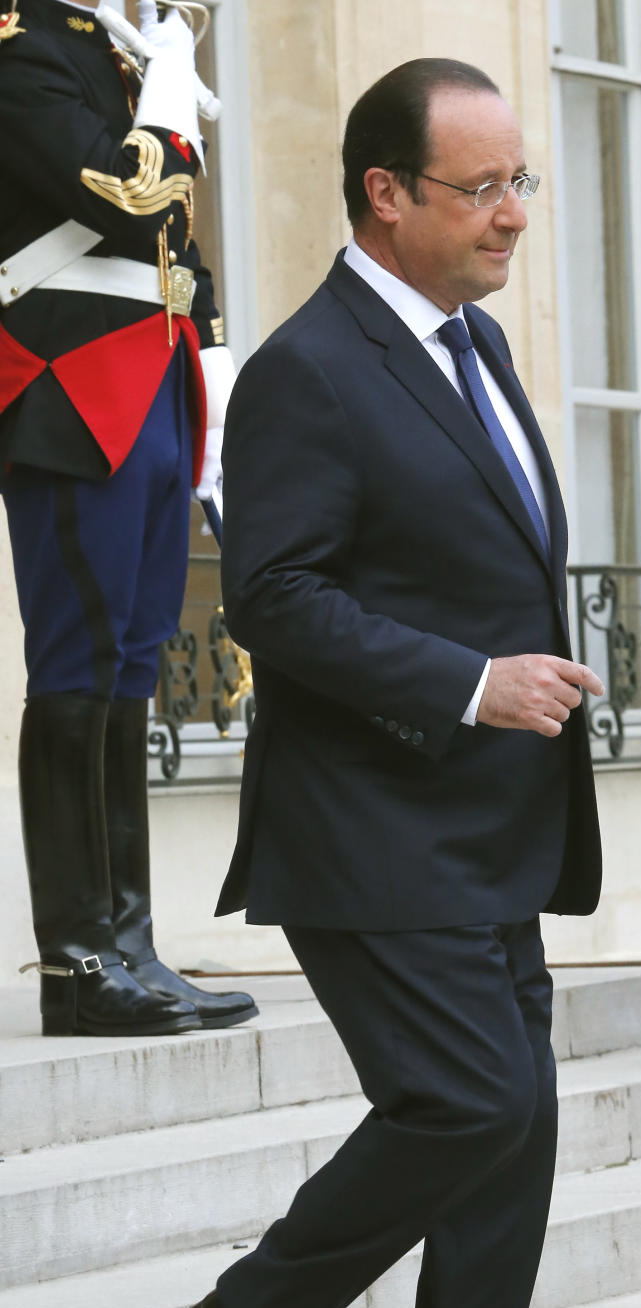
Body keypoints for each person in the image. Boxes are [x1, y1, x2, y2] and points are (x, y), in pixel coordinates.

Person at [182, 57, 641, 1308]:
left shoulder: (478, 348)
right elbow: (275, 596)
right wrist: (470, 682)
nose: (517, 212)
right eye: (486, 185)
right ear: (385, 195)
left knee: (515, 1135)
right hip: (369, 824)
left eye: (524, 181)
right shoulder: (308, 368)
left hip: (489, 826)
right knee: (471, 1103)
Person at [0, 0, 256, 1036]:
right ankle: (78, 957)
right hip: (68, 383)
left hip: (151, 377)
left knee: (132, 665)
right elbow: (129, 193)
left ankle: (132, 943)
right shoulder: (24, 52)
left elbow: (179, 241)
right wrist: (166, 87)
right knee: (79, 663)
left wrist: (216, 363)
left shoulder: (118, 53)